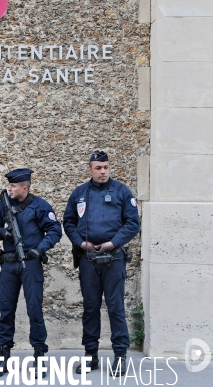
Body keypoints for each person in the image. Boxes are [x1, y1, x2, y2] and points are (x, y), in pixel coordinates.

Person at [63, 151, 140, 377]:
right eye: (98, 168)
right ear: (90, 169)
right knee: (90, 308)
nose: (103, 171)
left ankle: (119, 355)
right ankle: (91, 355)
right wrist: (80, 242)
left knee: (116, 308)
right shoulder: (79, 193)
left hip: (113, 258)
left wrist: (113, 242)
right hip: (88, 259)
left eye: (106, 167)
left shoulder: (121, 192)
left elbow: (133, 223)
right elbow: (68, 221)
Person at [0, 168, 62, 377]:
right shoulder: (3, 205)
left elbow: (55, 230)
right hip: (9, 264)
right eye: (9, 185)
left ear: (24, 187)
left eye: (13, 186)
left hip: (30, 263)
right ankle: (4, 355)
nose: (9, 189)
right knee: (6, 310)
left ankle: (39, 354)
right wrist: (2, 232)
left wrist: (40, 248)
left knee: (34, 310)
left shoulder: (40, 206)